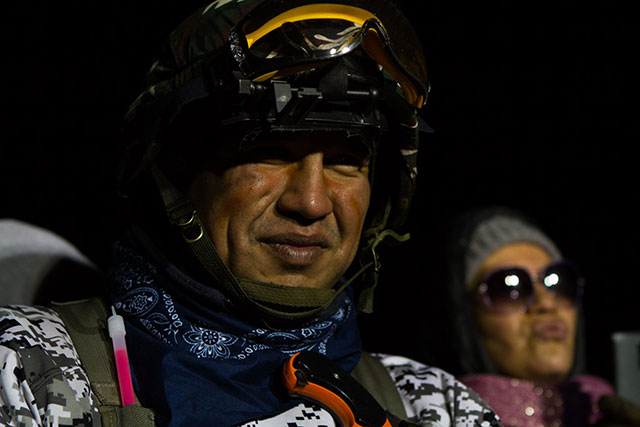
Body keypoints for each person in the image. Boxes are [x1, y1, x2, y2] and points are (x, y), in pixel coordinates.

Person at [0, 1, 502, 426]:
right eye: (270, 151)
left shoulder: (437, 406)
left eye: (345, 161)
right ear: (173, 173)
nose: (310, 203)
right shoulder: (26, 370)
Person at [430, 205, 619, 426]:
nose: (546, 303)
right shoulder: (422, 417)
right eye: (510, 288)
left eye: (557, 282)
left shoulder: (613, 411)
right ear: (462, 320)